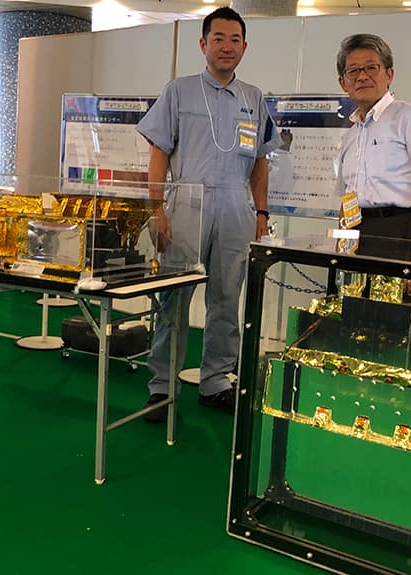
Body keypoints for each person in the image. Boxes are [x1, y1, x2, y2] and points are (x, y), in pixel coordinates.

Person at [136, 6, 281, 422]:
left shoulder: (253, 98)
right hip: (187, 203)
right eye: (218, 38)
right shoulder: (179, 91)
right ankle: (162, 386)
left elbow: (260, 162)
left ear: (244, 47)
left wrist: (261, 212)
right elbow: (159, 152)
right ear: (203, 44)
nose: (227, 47)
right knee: (173, 296)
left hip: (237, 205)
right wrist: (156, 208)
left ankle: (216, 380)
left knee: (226, 296)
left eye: (235, 40)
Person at [333, 33, 411, 266]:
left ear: (389, 74)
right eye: (353, 71)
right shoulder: (350, 135)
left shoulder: (410, 117)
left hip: (403, 231)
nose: (362, 76)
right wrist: (342, 247)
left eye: (371, 68)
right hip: (359, 233)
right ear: (343, 83)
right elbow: (347, 198)